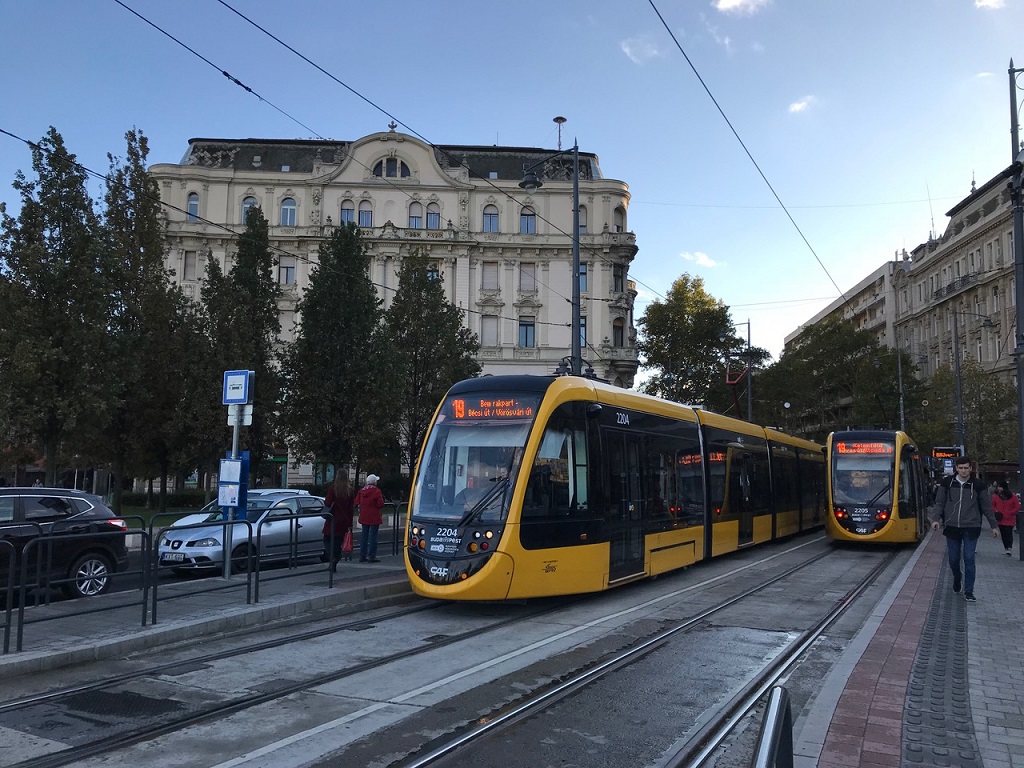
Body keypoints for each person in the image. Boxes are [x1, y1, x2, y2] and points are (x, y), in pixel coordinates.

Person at [929, 457, 1000, 602]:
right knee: (953, 559)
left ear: (970, 468)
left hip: (971, 526)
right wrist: (935, 519)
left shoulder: (978, 485)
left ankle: (969, 591)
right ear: (956, 468)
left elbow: (986, 507)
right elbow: (940, 502)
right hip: (952, 526)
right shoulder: (947, 483)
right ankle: (957, 577)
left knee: (969, 558)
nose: (963, 471)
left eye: (966, 468)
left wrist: (994, 526)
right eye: (961, 468)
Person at [322, 472, 355, 571]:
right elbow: (351, 508)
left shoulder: (333, 488)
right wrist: (350, 523)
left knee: (327, 539)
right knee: (338, 541)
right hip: (344, 520)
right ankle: (335, 560)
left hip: (332, 519)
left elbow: (327, 502)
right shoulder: (350, 491)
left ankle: (333, 558)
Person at [355, 474, 385, 563]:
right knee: (373, 536)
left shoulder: (361, 491)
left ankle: (362, 555)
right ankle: (372, 556)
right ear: (374, 482)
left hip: (364, 516)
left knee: (364, 536)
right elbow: (380, 504)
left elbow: (356, 502)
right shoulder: (377, 491)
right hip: (374, 516)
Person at [991, 480, 1020, 557]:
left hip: (1010, 518)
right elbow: (992, 505)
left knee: (1009, 534)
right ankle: (1006, 548)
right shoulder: (995, 496)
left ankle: (1009, 548)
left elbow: (1017, 507)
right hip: (1000, 518)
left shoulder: (1013, 496)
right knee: (1003, 534)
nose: (999, 488)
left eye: (1000, 487)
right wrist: (996, 511)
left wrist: (1011, 512)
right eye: (998, 487)